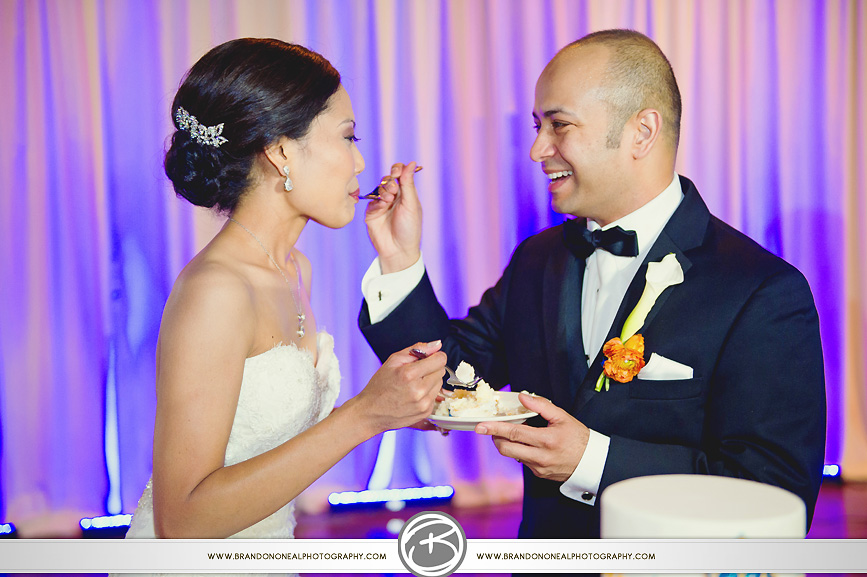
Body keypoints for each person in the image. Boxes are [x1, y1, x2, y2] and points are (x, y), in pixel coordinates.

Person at [359, 29, 826, 539]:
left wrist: (593, 461)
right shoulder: (538, 259)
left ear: (641, 132)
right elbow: (452, 380)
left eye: (559, 125)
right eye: (538, 126)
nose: (537, 149)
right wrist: (399, 259)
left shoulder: (761, 290)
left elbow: (774, 490)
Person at [121, 38, 447, 547]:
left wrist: (392, 409)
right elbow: (181, 522)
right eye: (348, 137)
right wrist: (364, 415)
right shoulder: (216, 291)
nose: (360, 162)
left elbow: (266, 443)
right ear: (280, 152)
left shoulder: (296, 269)